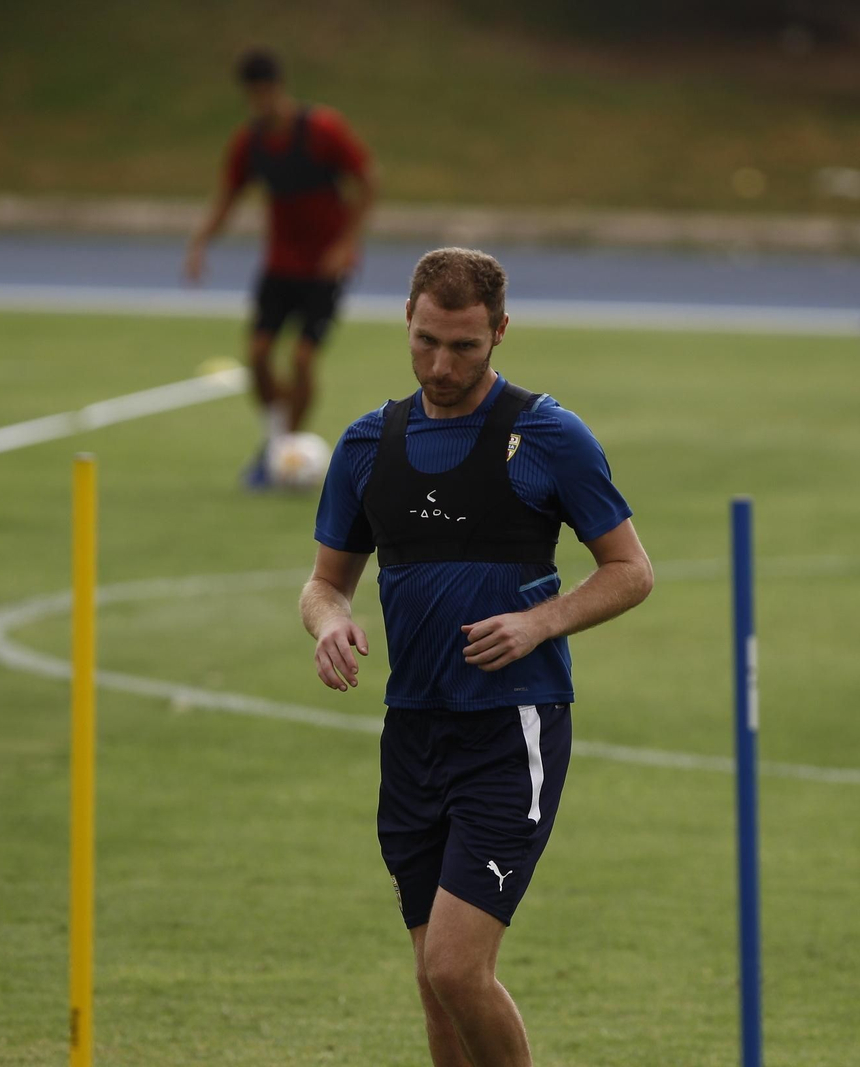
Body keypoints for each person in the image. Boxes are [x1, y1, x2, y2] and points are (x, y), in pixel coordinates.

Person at [299, 248, 653, 1066]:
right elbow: (324, 583)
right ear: (407, 322)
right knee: (435, 985)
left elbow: (631, 570)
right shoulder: (367, 444)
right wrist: (329, 623)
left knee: (457, 968)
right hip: (413, 731)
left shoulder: (548, 435)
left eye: (463, 346)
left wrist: (539, 623)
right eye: (426, 341)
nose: (441, 365)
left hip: (508, 727)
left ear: (499, 331)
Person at [183, 48, 377, 488]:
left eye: (265, 92)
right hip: (280, 265)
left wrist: (346, 243)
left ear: (279, 88)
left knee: (303, 359)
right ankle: (277, 439)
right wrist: (200, 243)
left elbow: (368, 180)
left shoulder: (322, 129)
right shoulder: (250, 143)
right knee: (257, 355)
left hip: (324, 268)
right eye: (253, 95)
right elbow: (228, 197)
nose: (261, 102)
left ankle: (285, 445)